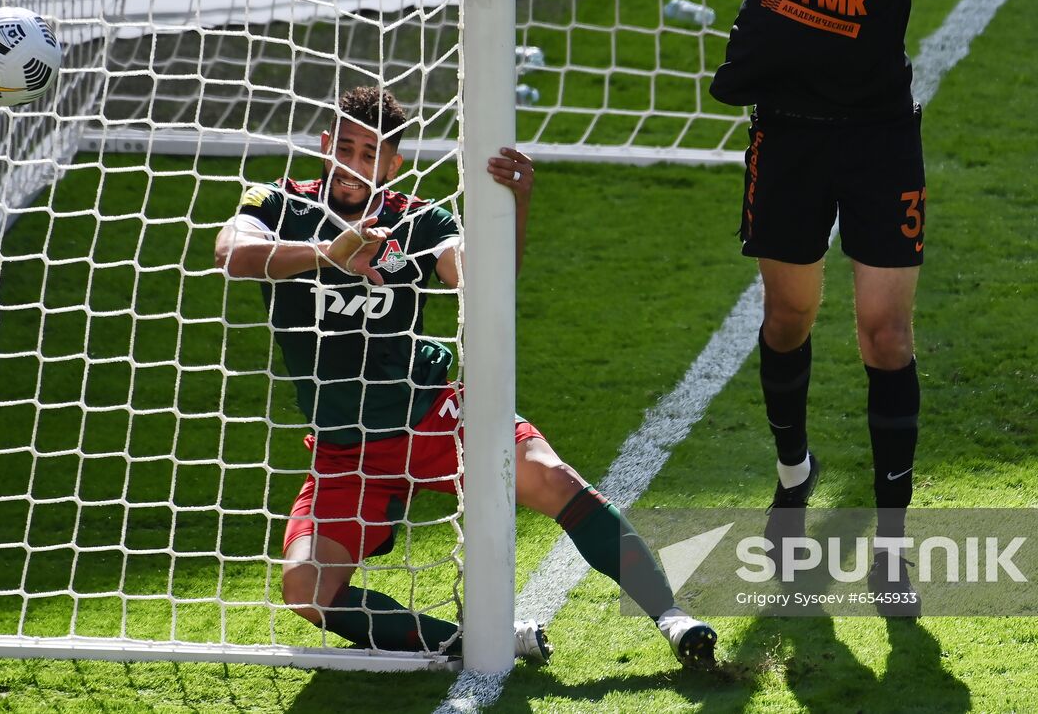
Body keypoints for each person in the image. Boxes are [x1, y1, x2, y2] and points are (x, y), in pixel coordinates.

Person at [512, 0, 1038, 616]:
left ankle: (892, 538)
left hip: (882, 142)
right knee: (788, 319)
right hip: (788, 137)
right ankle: (792, 475)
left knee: (886, 335)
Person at [213, 86, 717, 665]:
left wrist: (518, 205)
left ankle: (674, 618)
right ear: (324, 146)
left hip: (432, 416)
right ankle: (476, 643)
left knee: (553, 479)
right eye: (343, 148)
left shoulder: (421, 220)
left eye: (370, 153)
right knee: (306, 592)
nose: (352, 165)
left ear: (392, 163)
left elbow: (483, 282)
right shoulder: (279, 204)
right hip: (346, 450)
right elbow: (231, 253)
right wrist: (330, 252)